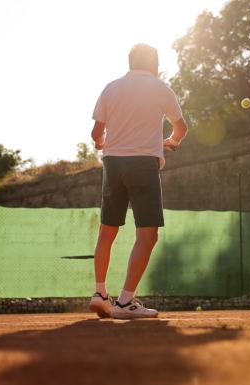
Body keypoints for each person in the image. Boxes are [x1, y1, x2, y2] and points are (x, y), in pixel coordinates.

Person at [88, 43, 188, 319]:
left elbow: (96, 133)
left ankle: (99, 293)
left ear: (130, 63)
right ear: (154, 63)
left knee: (107, 232)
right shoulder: (160, 89)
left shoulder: (111, 88)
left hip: (112, 164)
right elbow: (182, 127)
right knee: (147, 234)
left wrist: (103, 142)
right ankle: (125, 301)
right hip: (143, 164)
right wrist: (172, 142)